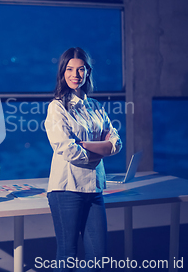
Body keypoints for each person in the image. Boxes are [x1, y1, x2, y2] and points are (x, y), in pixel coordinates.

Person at [44, 47, 122, 271]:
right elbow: (67, 150)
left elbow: (116, 143)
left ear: (88, 72)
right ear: (62, 72)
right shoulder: (57, 107)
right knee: (68, 254)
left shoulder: (95, 107)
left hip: (94, 188)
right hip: (66, 188)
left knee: (100, 258)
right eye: (69, 69)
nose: (75, 75)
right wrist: (102, 148)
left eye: (80, 70)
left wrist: (88, 145)